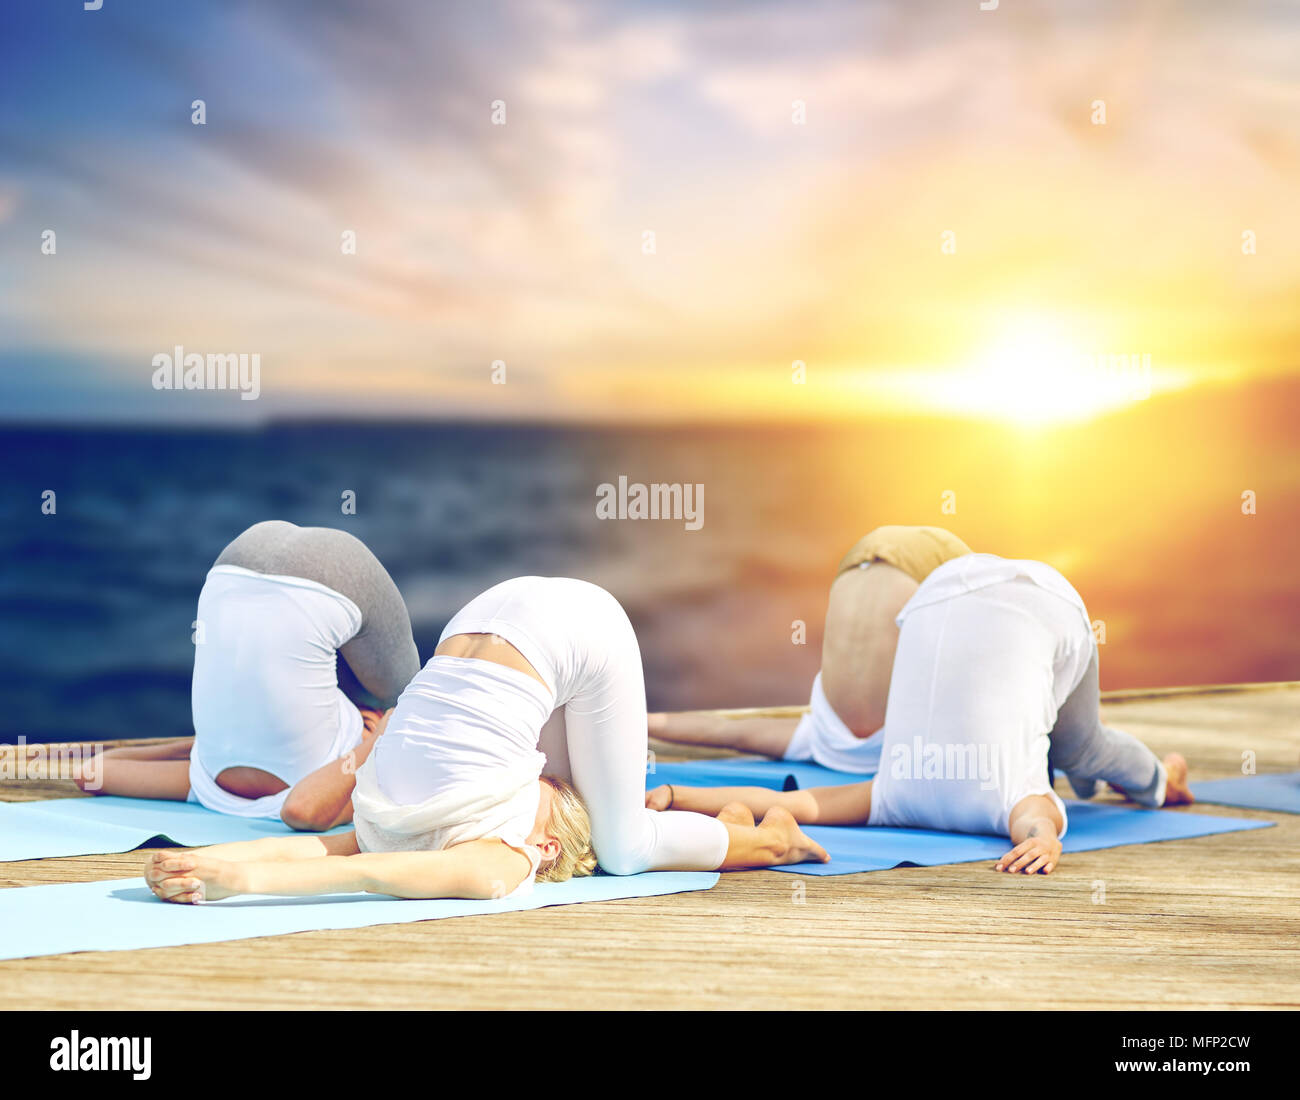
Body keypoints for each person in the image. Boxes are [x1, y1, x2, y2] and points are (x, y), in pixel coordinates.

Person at [145, 576, 829, 905]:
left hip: (494, 611)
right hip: (571, 627)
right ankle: (774, 837)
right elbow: (359, 864)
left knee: (618, 848)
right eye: (556, 781)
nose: (550, 772)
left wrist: (222, 866)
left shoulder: (465, 844)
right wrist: (234, 875)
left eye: (555, 783)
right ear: (546, 846)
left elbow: (334, 853)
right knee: (624, 851)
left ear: (546, 845)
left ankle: (761, 832)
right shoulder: (494, 841)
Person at [647, 554, 1194, 875]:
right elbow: (1035, 823)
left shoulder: (903, 795)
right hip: (953, 597)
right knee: (1079, 747)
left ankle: (1160, 780)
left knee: (1078, 747)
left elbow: (1035, 823)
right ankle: (1157, 779)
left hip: (975, 599)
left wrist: (677, 794)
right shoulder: (899, 790)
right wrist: (675, 796)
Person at [74, 520, 421, 830]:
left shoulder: (203, 783)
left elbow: (91, 773)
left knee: (409, 702)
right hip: (237, 567)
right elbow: (302, 812)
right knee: (405, 699)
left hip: (272, 562)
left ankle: (383, 713)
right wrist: (377, 744)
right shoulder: (205, 781)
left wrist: (197, 748)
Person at [649, 525, 972, 769]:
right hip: (866, 564)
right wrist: (639, 724)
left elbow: (724, 731)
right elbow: (726, 731)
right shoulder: (828, 740)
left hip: (891, 559)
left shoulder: (835, 742)